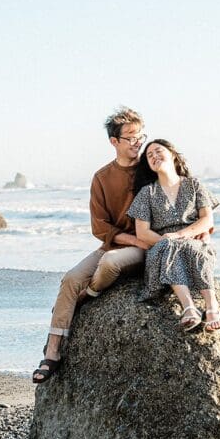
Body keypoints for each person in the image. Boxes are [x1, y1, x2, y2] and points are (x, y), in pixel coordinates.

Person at [32, 107, 150, 384]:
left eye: (141, 137)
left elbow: (179, 189)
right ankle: (52, 354)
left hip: (144, 249)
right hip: (118, 243)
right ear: (114, 142)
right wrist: (132, 238)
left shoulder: (150, 169)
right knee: (70, 279)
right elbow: (100, 226)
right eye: (131, 138)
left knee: (109, 264)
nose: (138, 143)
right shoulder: (102, 177)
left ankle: (87, 296)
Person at [127, 138, 220, 332]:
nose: (154, 156)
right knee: (169, 247)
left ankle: (212, 306)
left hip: (192, 242)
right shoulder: (147, 193)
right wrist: (167, 239)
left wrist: (181, 235)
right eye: (149, 155)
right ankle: (188, 307)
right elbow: (142, 232)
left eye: (158, 151)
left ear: (172, 154)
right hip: (162, 249)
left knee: (196, 247)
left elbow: (207, 220)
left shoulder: (194, 185)